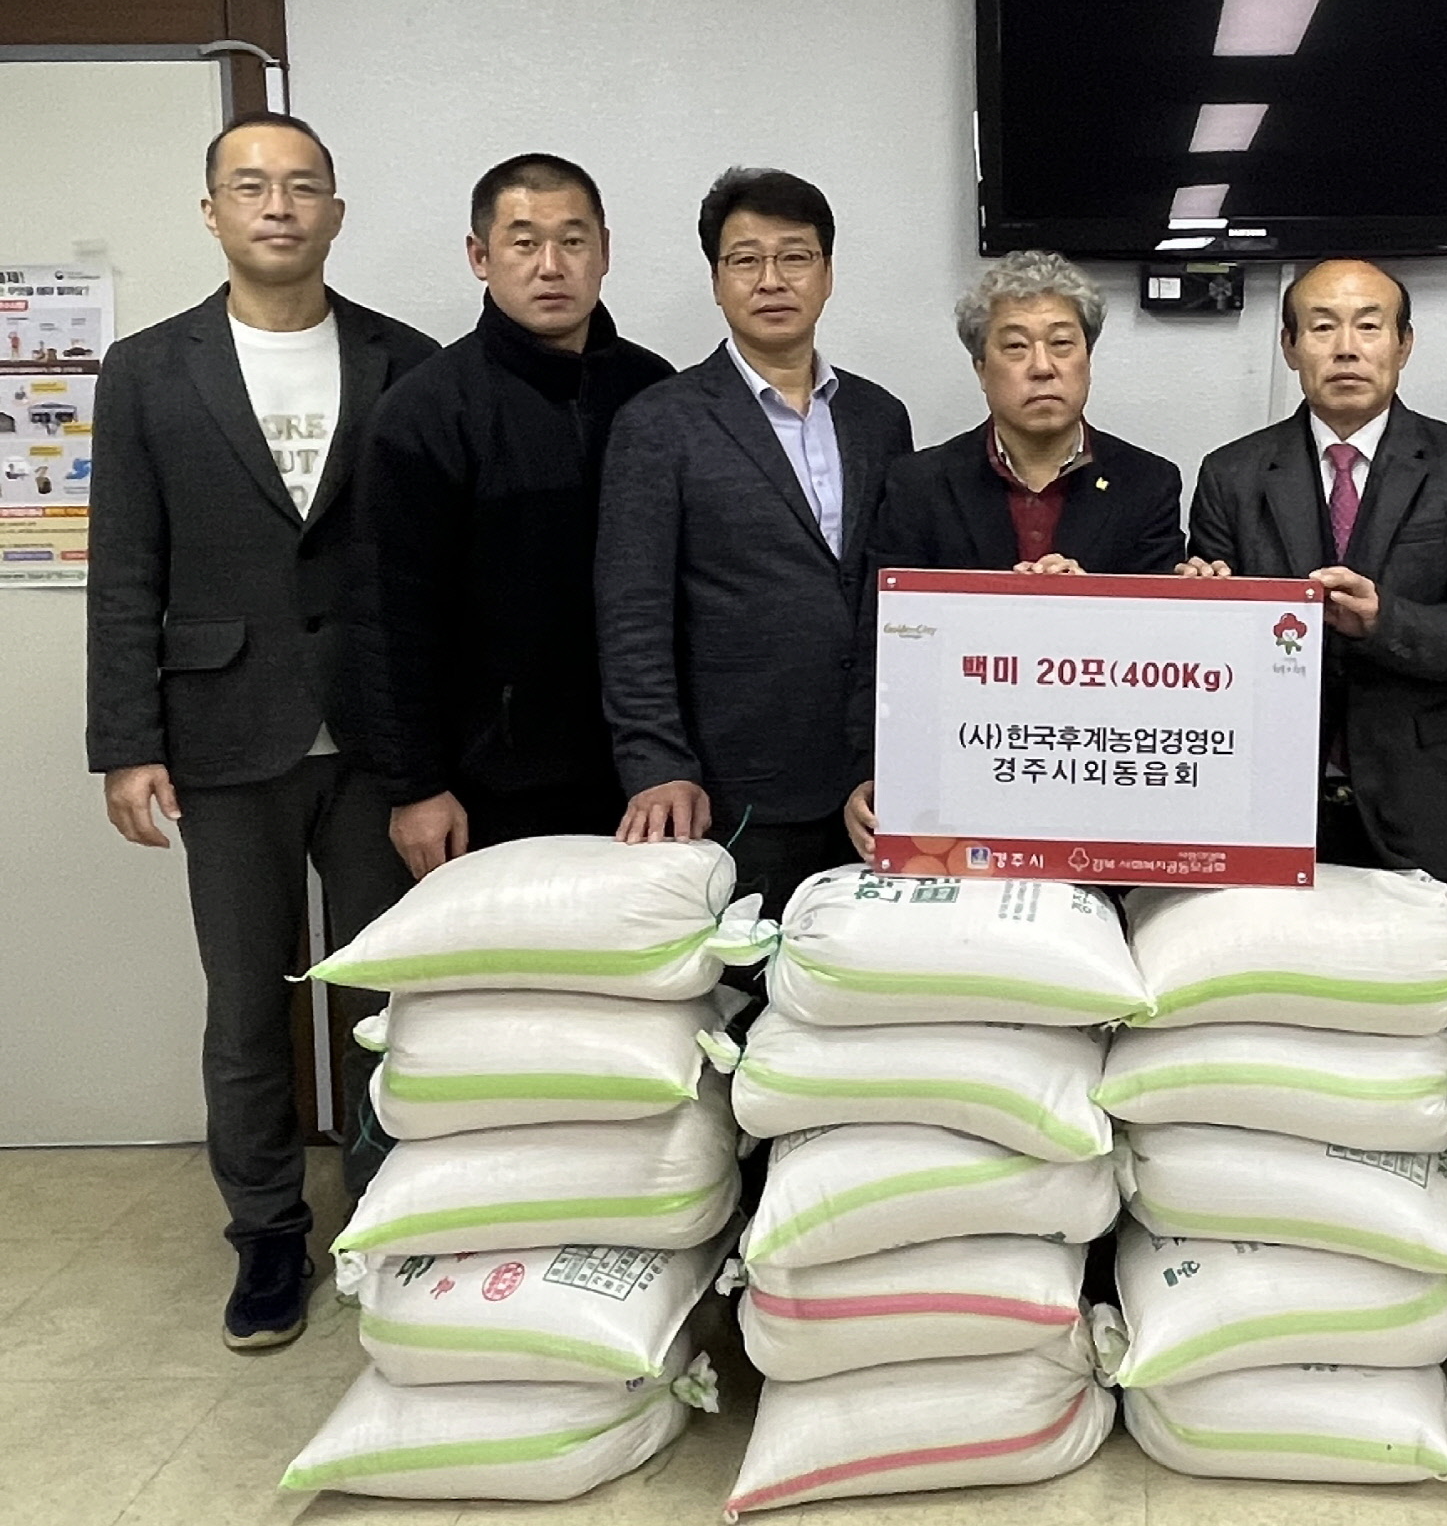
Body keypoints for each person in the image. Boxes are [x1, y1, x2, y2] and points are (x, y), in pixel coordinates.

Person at [85, 112, 437, 1350]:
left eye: (302, 187)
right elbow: (124, 567)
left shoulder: (406, 357)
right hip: (221, 734)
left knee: (384, 1001)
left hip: (377, 741)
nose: (278, 206)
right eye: (251, 186)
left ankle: (392, 1216)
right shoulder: (147, 368)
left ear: (337, 211)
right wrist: (127, 741)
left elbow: (429, 572)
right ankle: (269, 1240)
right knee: (246, 1004)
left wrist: (435, 751)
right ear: (213, 213)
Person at [596, 168, 911, 917]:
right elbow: (631, 612)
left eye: (795, 256)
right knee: (740, 1003)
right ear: (716, 281)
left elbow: (894, 591)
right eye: (746, 259)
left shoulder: (880, 417)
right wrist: (656, 764)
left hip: (872, 783)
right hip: (730, 786)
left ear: (828, 274)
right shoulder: (659, 423)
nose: (772, 280)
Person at [350, 154, 672, 874]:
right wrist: (417, 787)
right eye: (524, 242)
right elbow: (387, 616)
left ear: (605, 252)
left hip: (645, 778)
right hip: (487, 785)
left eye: (574, 240)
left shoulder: (656, 395)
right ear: (480, 256)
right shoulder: (426, 411)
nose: (551, 266)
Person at [1182, 257, 1447, 896]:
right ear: (1290, 347)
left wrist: (1383, 620)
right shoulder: (1230, 475)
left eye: (1369, 327)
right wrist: (1203, 608)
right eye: (1321, 328)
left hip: (1428, 804)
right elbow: (1212, 662)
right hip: (1270, 799)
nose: (1347, 349)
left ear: (1403, 345)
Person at [840, 250, 1185, 858]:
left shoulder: (1147, 483)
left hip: (1102, 775)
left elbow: (1165, 658)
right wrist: (874, 772)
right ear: (980, 367)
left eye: (1062, 344)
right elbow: (883, 645)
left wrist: (1093, 603)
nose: (1043, 368)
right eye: (1016, 348)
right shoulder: (919, 484)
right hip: (959, 774)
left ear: (1088, 358)